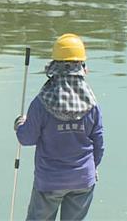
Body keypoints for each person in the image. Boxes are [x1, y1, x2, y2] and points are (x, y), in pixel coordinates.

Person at [15, 34, 105, 221]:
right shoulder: (92, 104)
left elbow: (27, 139)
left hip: (50, 181)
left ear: (54, 68)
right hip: (83, 180)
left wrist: (20, 124)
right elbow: (99, 143)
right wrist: (91, 167)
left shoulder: (42, 103)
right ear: (82, 68)